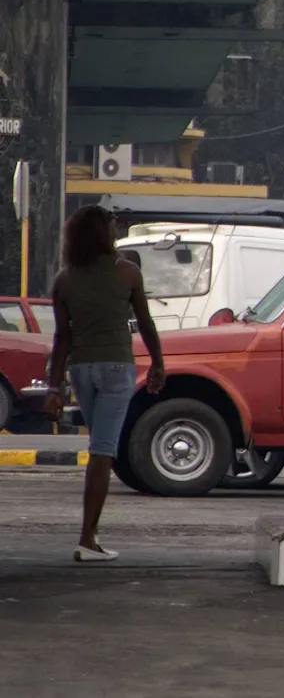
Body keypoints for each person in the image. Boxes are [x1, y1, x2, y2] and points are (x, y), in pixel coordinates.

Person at [42, 205, 166, 562]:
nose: (115, 230)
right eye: (111, 225)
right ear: (103, 232)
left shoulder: (64, 279)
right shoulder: (127, 272)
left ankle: (90, 535)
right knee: (103, 451)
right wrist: (158, 362)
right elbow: (145, 323)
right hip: (116, 368)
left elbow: (62, 339)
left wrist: (53, 388)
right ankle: (87, 539)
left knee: (101, 447)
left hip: (81, 369)